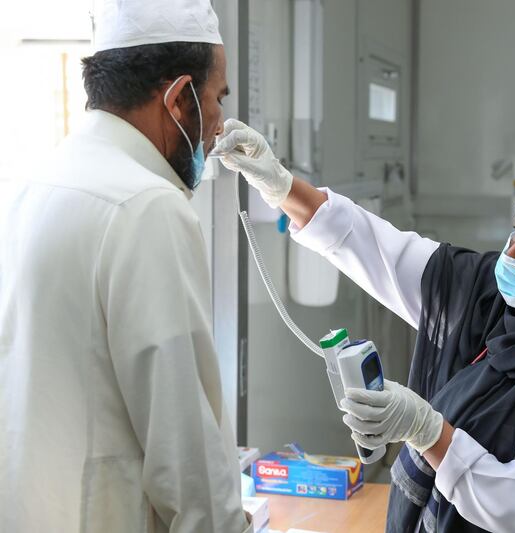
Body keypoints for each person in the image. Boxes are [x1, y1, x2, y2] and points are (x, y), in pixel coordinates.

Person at [214, 120, 515, 533]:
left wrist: (429, 433)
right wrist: (280, 185)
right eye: (513, 235)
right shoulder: (488, 297)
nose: (511, 257)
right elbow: (377, 248)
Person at [0, 1, 251, 532]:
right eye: (215, 100)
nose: (219, 126)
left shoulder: (32, 185)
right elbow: (187, 456)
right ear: (179, 98)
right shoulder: (147, 207)